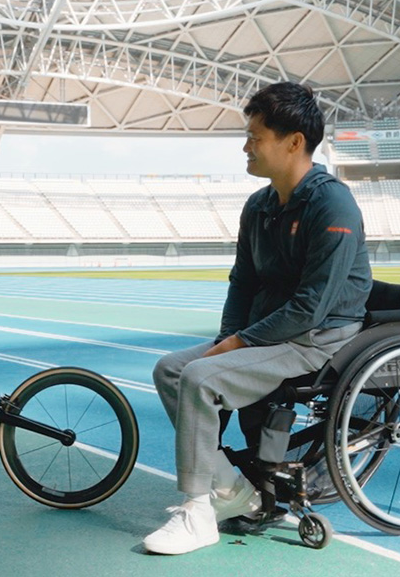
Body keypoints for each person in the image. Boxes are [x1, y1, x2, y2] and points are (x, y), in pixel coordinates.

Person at [143, 82, 372, 555]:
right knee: (171, 369)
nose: (245, 146)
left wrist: (241, 343)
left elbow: (312, 307)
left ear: (293, 142)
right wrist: (230, 337)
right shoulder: (260, 205)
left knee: (202, 377)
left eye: (255, 136)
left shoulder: (333, 205)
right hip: (268, 333)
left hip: (317, 338)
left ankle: (198, 512)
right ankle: (232, 492)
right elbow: (242, 283)